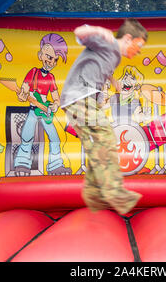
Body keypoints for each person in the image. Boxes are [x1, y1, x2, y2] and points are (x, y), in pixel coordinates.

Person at [60, 19, 148, 215]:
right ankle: (114, 191)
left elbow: (103, 68)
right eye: (138, 46)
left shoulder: (115, 57)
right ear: (127, 38)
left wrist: (113, 81)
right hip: (77, 97)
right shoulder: (106, 41)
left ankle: (93, 193)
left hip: (83, 99)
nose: (138, 51)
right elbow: (79, 32)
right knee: (106, 135)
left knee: (97, 145)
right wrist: (98, 30)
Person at [15, 33, 72, 176]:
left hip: (45, 111)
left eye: (55, 59)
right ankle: (22, 164)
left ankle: (55, 166)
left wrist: (55, 105)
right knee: (27, 136)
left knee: (55, 138)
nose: (51, 62)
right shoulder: (33, 72)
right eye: (49, 57)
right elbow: (25, 89)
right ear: (40, 55)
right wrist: (23, 94)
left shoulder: (52, 78)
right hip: (34, 110)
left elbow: (56, 98)